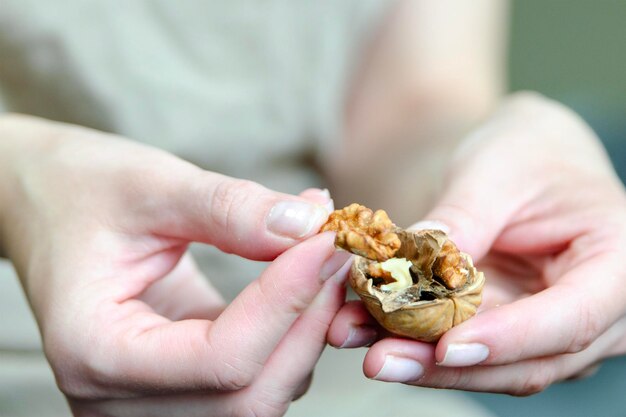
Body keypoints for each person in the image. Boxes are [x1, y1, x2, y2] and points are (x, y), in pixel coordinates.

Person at [2, 1, 624, 417]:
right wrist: (20, 184)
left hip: (324, 336)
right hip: (38, 318)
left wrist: (478, 171)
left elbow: (406, 112)